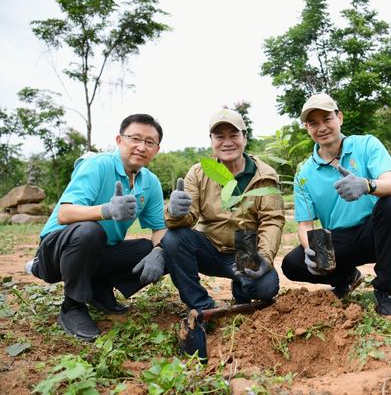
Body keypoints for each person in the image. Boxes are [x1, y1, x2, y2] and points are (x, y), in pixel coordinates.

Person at [27, 114, 167, 341]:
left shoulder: (150, 182)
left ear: (157, 149)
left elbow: (159, 228)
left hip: (98, 252)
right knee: (90, 231)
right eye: (135, 138)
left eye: (149, 142)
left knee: (155, 248)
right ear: (119, 140)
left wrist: (160, 251)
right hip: (57, 250)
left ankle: (99, 288)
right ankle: (72, 306)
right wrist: (106, 210)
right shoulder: (97, 165)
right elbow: (65, 213)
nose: (142, 147)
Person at [281, 93, 391, 317]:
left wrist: (366, 185)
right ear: (307, 128)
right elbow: (305, 224)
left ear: (340, 117)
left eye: (327, 119)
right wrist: (311, 250)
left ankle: (386, 290)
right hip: (338, 241)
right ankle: (346, 277)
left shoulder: (366, 144)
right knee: (292, 264)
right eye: (313, 123)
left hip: (373, 233)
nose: (321, 127)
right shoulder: (304, 173)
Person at [161, 108, 284, 312]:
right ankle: (201, 305)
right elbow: (187, 218)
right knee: (174, 238)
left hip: (245, 248)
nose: (227, 142)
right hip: (209, 248)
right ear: (211, 140)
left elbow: (272, 220)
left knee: (266, 287)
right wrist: (175, 212)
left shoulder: (265, 174)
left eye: (234, 135)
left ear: (245, 137)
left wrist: (265, 256)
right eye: (219, 136)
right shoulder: (199, 172)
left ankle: (242, 290)